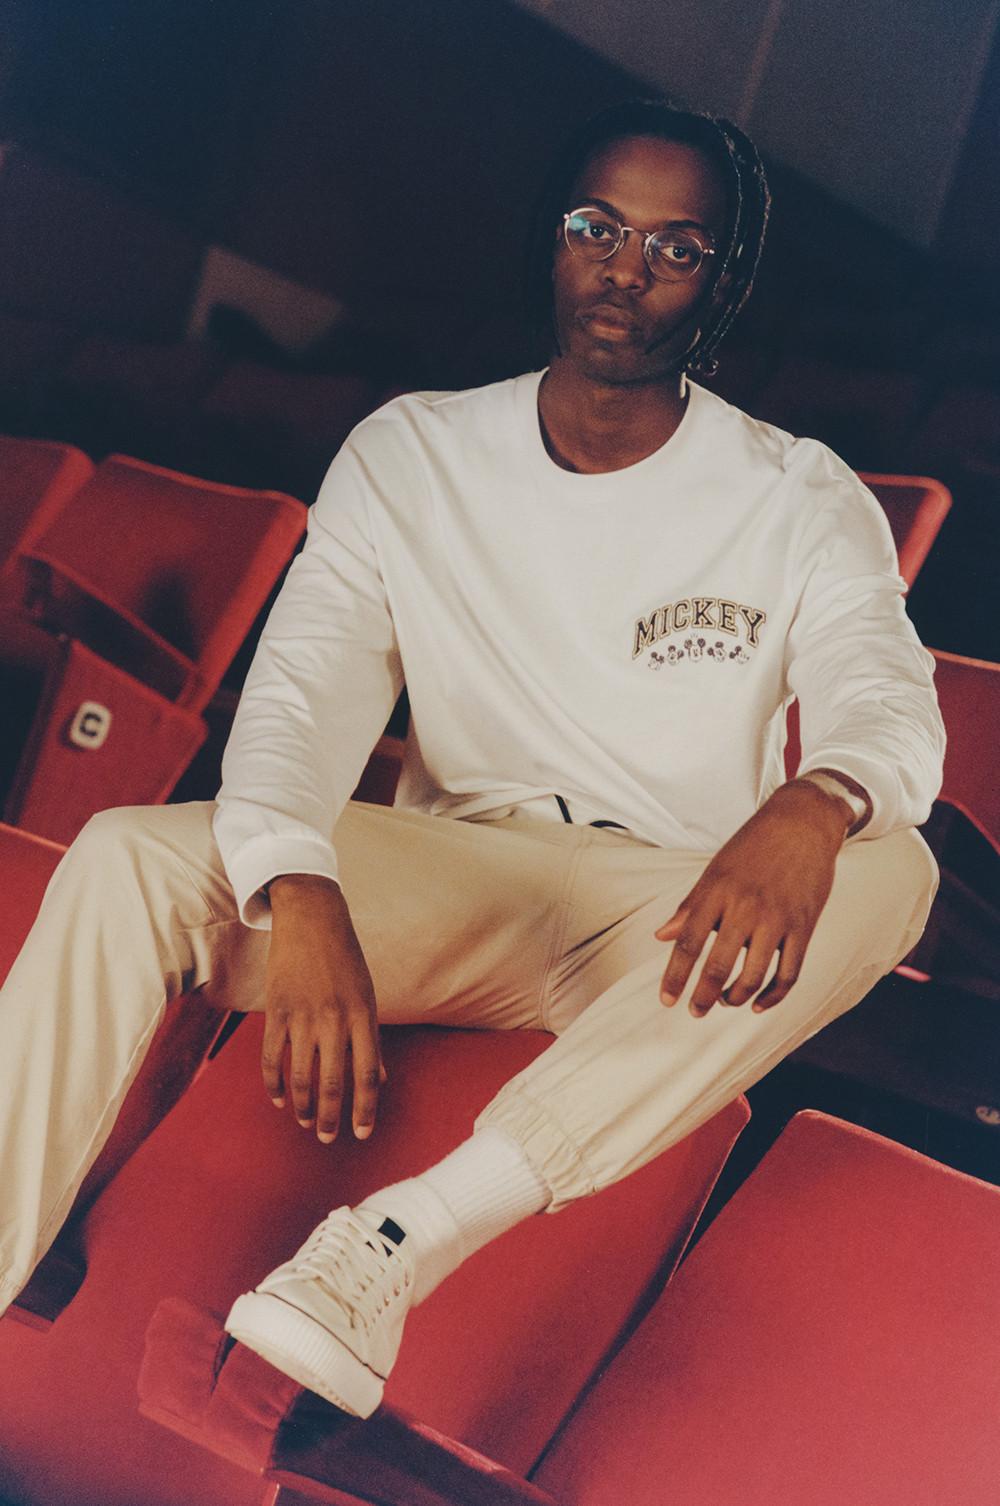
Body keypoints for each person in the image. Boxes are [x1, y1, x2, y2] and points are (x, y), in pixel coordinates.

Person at [0, 100, 943, 1421]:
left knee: (892, 864)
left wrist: (816, 796)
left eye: (676, 248)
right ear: (551, 241)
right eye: (598, 228)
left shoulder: (798, 493)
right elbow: (298, 700)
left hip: (677, 915)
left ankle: (391, 1246)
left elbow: (890, 706)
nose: (626, 269)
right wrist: (297, 883)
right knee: (122, 859)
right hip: (463, 877)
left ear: (723, 281)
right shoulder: (412, 453)